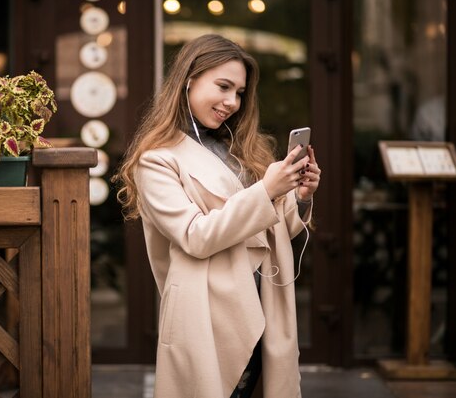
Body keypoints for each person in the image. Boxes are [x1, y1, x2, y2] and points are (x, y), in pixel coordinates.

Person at [112, 34, 321, 398]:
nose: (231, 102)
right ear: (189, 78)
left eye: (239, 93)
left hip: (262, 301)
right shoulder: (157, 159)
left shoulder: (241, 149)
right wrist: (267, 190)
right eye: (223, 86)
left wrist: (300, 198)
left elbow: (269, 231)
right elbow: (196, 236)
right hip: (207, 312)